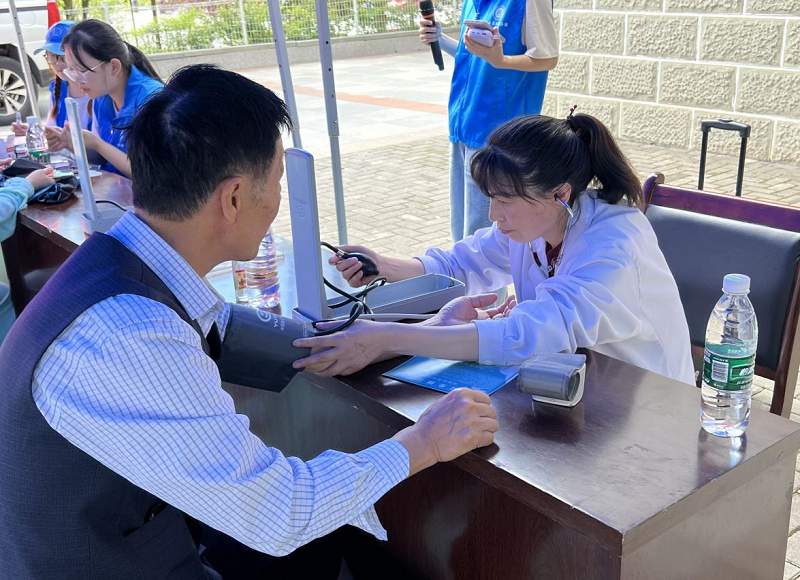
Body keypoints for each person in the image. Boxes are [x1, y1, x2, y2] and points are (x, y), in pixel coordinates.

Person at [0, 65, 499, 579]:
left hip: (137, 540)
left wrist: (426, 334)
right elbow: (278, 513)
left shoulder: (124, 262)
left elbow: (233, 331)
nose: (278, 200)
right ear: (234, 198)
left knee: (331, 542)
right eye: (277, 181)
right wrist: (424, 442)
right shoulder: (128, 334)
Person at [293, 113, 696, 386]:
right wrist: (384, 265)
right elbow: (462, 263)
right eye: (491, 198)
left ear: (559, 193)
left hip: (646, 399)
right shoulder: (541, 219)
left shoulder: (613, 245)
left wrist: (386, 338)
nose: (493, 214)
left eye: (504, 200)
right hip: (574, 380)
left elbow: (527, 334)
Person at [420, 0, 558, 243]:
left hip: (499, 137)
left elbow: (547, 58)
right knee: (462, 236)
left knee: (483, 240)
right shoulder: (472, 3)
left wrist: (502, 61)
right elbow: (473, 55)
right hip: (463, 127)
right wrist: (439, 38)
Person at [44, 19, 163, 178]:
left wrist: (97, 144)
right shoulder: (101, 97)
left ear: (114, 67)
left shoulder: (152, 100)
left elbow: (151, 174)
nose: (76, 79)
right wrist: (72, 143)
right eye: (70, 70)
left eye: (81, 70)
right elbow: (101, 158)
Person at [11, 21, 92, 137]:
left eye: (63, 57)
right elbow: (55, 131)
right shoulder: (58, 89)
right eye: (52, 56)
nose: (57, 64)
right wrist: (33, 131)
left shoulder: (98, 92)